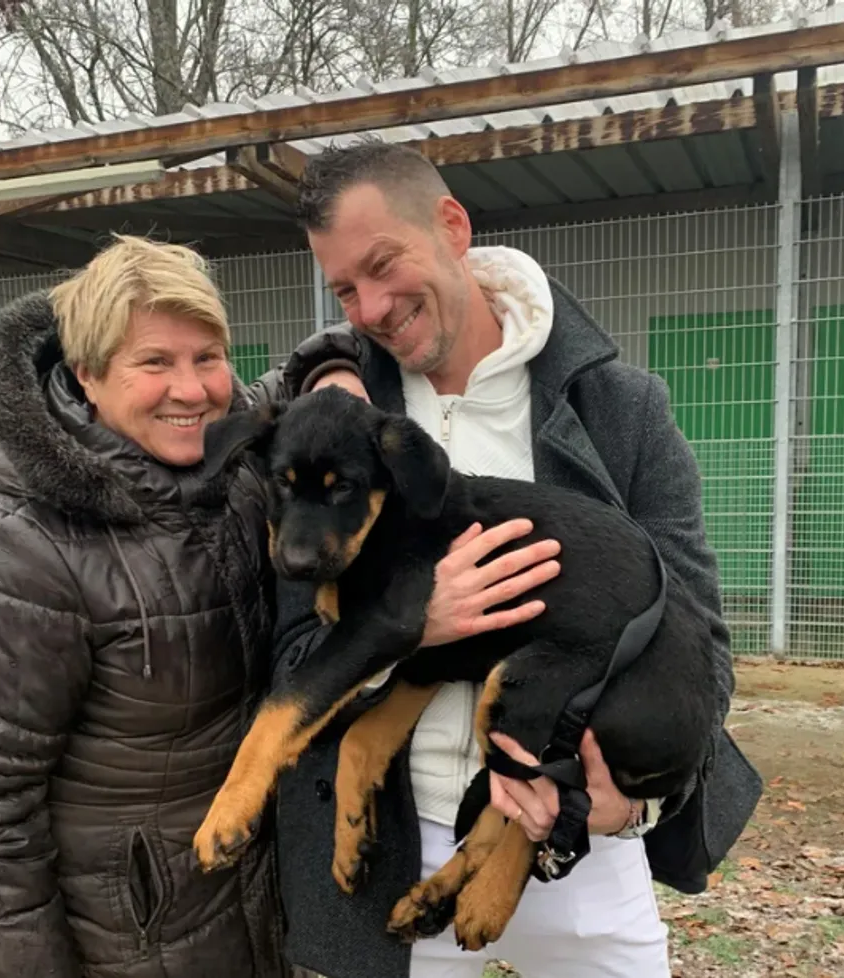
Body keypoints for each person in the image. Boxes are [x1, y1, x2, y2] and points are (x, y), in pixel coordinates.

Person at [270, 141, 762, 978]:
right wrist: (410, 625)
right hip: (392, 841)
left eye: (384, 265)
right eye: (345, 289)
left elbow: (702, 641)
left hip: (576, 838)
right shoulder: (331, 426)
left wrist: (630, 798)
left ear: (452, 226)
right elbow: (291, 646)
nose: (373, 307)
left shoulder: (620, 410)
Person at [0, 235, 311, 978]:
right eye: (155, 363)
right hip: (138, 939)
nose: (191, 389)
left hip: (266, 909)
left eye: (207, 357)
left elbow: (304, 377)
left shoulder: (239, 470)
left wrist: (334, 364)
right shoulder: (23, 544)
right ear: (89, 374)